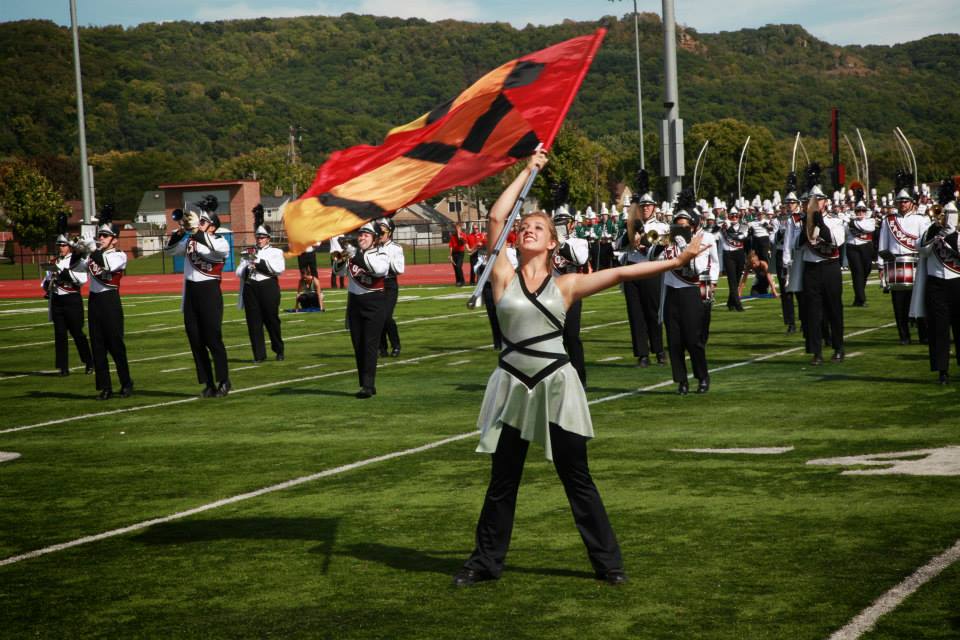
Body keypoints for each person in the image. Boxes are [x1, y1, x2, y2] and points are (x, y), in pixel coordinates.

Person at [453, 150, 704, 588]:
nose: (527, 229)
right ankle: (484, 562)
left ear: (553, 243)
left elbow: (624, 275)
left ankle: (608, 564)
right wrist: (529, 170)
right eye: (525, 226)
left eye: (538, 228)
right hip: (512, 383)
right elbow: (496, 216)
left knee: (577, 478)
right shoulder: (503, 276)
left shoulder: (567, 285)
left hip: (555, 384)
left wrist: (676, 263)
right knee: (502, 480)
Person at [164, 201, 231, 397]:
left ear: (213, 226)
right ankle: (208, 383)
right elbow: (170, 251)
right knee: (196, 341)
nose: (199, 224)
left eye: (203, 222)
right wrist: (178, 234)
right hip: (191, 293)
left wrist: (196, 232)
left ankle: (224, 380)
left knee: (213, 339)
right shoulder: (191, 241)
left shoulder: (220, 242)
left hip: (209, 293)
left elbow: (214, 249)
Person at [659, 191, 718, 394]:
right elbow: (655, 261)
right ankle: (681, 381)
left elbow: (697, 269)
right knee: (674, 341)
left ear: (692, 225)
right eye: (678, 225)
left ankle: (702, 376)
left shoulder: (701, 240)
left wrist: (686, 250)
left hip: (692, 292)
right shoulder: (669, 242)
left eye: (685, 225)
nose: (681, 229)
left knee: (694, 340)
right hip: (671, 293)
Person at [915, 180, 960, 385]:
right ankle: (942, 369)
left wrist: (951, 236)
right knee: (938, 329)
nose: (947, 217)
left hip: (957, 281)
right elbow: (921, 250)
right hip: (936, 282)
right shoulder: (930, 226)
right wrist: (935, 230)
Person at [619, 183, 668, 367]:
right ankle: (642, 354)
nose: (645, 208)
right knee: (635, 314)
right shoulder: (631, 224)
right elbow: (618, 245)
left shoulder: (661, 226)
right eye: (642, 206)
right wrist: (630, 233)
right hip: (632, 269)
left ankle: (659, 350)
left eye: (649, 205)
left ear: (654, 207)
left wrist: (643, 237)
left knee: (653, 312)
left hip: (651, 269)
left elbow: (663, 244)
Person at [879, 173, 930, 345]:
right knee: (898, 304)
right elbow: (883, 245)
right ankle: (904, 336)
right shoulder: (889, 220)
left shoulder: (921, 220)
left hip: (916, 262)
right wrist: (881, 268)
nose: (902, 204)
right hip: (895, 263)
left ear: (912, 203)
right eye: (900, 201)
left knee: (919, 300)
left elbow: (926, 243)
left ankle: (924, 335)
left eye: (905, 201)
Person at [799, 178, 846, 365]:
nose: (814, 203)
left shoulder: (836, 221)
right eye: (811, 199)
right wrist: (807, 224)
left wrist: (820, 223)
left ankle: (839, 348)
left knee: (834, 309)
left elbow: (835, 242)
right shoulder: (802, 221)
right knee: (813, 313)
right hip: (811, 268)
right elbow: (797, 245)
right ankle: (816, 352)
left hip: (830, 268)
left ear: (825, 201)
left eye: (818, 199)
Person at [85, 222, 133, 399]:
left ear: (114, 240)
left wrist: (92, 250)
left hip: (110, 301)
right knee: (97, 347)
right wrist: (77, 249)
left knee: (116, 346)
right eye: (100, 235)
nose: (101, 238)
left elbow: (106, 265)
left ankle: (126, 383)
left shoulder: (119, 256)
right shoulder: (94, 255)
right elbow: (79, 269)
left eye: (105, 236)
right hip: (94, 301)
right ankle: (105, 387)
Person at [346, 222, 390, 398]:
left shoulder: (382, 254)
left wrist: (355, 255)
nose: (362, 237)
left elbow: (378, 270)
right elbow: (340, 272)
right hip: (354, 302)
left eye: (366, 235)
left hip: (374, 302)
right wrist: (341, 258)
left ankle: (368, 385)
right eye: (361, 234)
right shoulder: (353, 254)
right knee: (358, 345)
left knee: (370, 344)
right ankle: (364, 383)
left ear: (374, 239)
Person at [42, 233, 93, 376]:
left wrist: (65, 275)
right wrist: (47, 284)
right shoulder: (54, 261)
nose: (61, 248)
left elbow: (82, 279)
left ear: (69, 247)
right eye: (59, 245)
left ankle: (89, 362)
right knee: (60, 334)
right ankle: (63, 367)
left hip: (72, 299)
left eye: (63, 245)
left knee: (77, 333)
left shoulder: (76, 261)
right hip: (57, 300)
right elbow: (45, 282)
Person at [550, 205, 589, 385]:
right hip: (551, 295)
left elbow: (579, 259)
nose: (560, 226)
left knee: (572, 337)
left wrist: (562, 242)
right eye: (557, 223)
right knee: (553, 339)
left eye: (563, 223)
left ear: (572, 225)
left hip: (571, 294)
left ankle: (580, 379)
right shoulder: (549, 245)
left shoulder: (579, 242)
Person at [237, 224, 286, 362]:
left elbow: (278, 269)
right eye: (258, 237)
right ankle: (259, 355)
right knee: (254, 323)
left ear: (268, 239)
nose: (259, 239)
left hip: (268, 286)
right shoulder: (248, 251)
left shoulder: (276, 252)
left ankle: (279, 349)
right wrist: (247, 267)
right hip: (251, 287)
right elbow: (238, 271)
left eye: (262, 237)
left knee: (272, 320)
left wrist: (257, 261)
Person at [377, 218, 404, 358]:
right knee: (378, 317)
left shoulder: (396, 248)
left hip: (389, 284)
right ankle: (382, 347)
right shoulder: (374, 247)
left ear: (390, 232)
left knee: (386, 316)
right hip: (376, 284)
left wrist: (387, 259)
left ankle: (396, 345)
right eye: (379, 232)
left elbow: (400, 269)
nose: (380, 234)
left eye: (382, 232)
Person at [845, 199, 876, 307]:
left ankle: (858, 298)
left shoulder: (870, 221)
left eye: (863, 210)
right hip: (852, 247)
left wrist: (852, 222)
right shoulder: (849, 221)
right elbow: (845, 233)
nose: (861, 213)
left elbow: (868, 229)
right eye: (858, 211)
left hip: (866, 247)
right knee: (857, 272)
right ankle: (862, 299)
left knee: (866, 271)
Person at [719, 207, 747, 311]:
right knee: (732, 281)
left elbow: (741, 237)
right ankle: (738, 304)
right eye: (732, 216)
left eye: (736, 216)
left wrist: (729, 227)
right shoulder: (723, 226)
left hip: (739, 253)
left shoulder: (743, 226)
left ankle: (730, 302)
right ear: (729, 216)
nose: (734, 217)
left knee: (737, 279)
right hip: (728, 254)